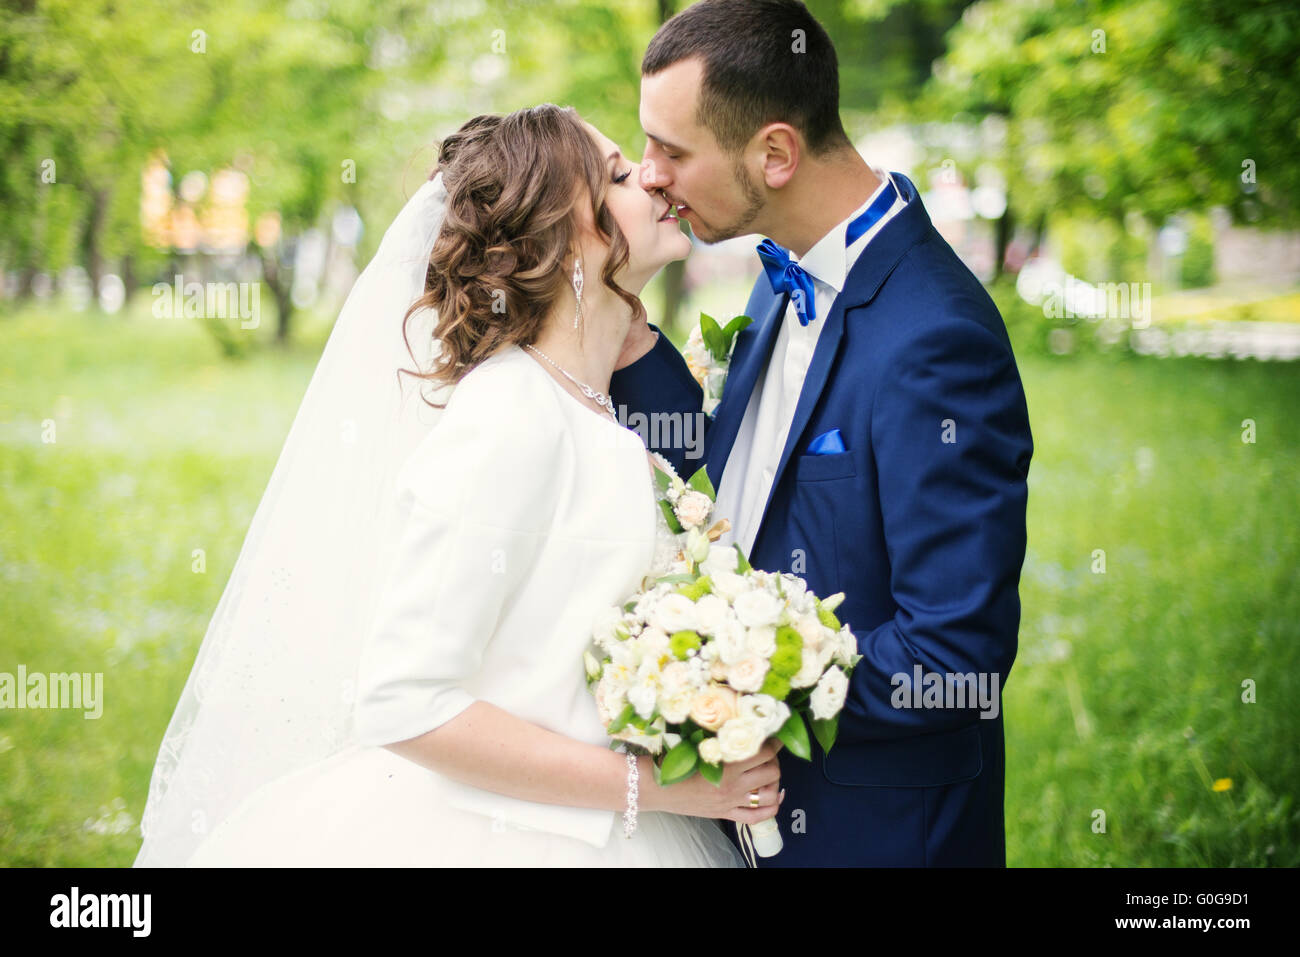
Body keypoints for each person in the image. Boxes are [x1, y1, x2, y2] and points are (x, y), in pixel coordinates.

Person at [134, 104, 782, 867]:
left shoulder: (595, 411)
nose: (650, 175)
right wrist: (656, 786)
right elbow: (404, 700)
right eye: (614, 175)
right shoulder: (510, 414)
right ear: (559, 232)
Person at [610, 0, 1034, 865]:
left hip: (875, 834)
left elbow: (953, 658)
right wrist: (625, 334)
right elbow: (746, 497)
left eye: (672, 151)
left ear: (774, 153)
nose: (650, 175)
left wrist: (729, 688)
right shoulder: (781, 275)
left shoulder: (936, 341)